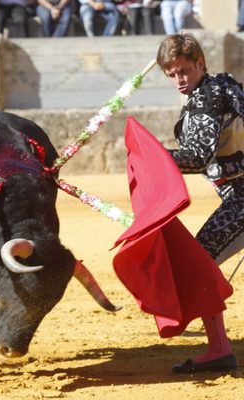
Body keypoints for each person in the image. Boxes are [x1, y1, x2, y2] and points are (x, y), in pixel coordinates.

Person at [156, 32, 242, 373]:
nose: (179, 79)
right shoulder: (223, 85)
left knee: (199, 262)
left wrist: (154, 155)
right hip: (238, 194)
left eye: (184, 71)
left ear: (200, 64)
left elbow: (195, 158)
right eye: (172, 73)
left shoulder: (208, 99)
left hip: (243, 196)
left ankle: (220, 349)